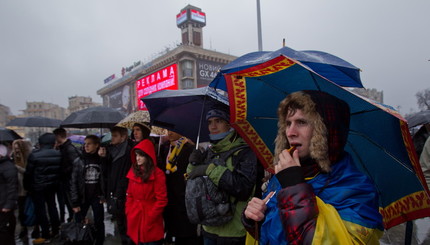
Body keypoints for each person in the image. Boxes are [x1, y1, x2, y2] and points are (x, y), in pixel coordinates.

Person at [242, 90, 384, 244]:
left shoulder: (358, 190)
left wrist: (293, 186)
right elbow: (273, 233)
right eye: (288, 123)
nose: (290, 132)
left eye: (302, 122)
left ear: (325, 130)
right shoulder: (281, 176)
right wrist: (253, 221)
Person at [186, 107, 258, 245]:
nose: (213, 126)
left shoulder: (245, 152)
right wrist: (193, 165)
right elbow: (193, 187)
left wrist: (210, 169)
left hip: (233, 232)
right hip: (209, 228)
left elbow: (242, 188)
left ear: (230, 124)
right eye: (210, 122)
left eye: (218, 121)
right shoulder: (210, 152)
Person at [158, 130, 201, 245]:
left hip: (184, 203)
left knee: (185, 237)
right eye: (167, 130)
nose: (169, 133)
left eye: (173, 130)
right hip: (169, 203)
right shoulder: (164, 148)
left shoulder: (189, 149)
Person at [125, 139, 168, 245]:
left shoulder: (158, 174)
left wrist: (151, 216)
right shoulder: (134, 171)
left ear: (148, 156)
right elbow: (129, 194)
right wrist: (129, 210)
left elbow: (162, 199)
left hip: (150, 220)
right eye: (136, 155)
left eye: (141, 155)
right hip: (135, 216)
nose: (137, 158)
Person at [24, 133, 62, 244]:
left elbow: (28, 173)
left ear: (40, 143)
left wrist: (27, 187)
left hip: (38, 187)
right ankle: (55, 230)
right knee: (52, 207)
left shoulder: (34, 155)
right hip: (53, 186)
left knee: (41, 210)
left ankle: (45, 233)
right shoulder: (58, 154)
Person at [99, 126, 133, 245]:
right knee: (119, 221)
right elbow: (106, 173)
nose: (112, 138)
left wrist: (120, 189)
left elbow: (128, 173)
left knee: (126, 221)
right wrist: (103, 158)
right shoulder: (109, 150)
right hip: (112, 190)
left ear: (123, 137)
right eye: (112, 135)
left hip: (124, 192)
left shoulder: (129, 151)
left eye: (115, 136)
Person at [70, 135, 105, 245]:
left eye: (89, 144)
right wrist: (75, 202)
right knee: (78, 221)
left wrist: (104, 195)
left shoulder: (101, 159)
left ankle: (99, 241)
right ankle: (81, 240)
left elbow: (106, 178)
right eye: (85, 144)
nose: (86, 146)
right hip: (82, 197)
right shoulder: (79, 160)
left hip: (97, 197)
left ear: (96, 145)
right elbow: (73, 182)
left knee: (99, 222)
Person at [53, 127, 81, 223]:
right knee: (68, 202)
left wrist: (63, 171)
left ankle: (74, 221)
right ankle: (72, 219)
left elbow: (74, 165)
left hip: (69, 180)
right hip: (66, 180)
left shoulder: (69, 149)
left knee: (72, 203)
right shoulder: (64, 148)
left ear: (59, 136)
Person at [11, 139, 32, 239]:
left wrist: (16, 167)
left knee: (28, 209)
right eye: (15, 149)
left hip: (26, 186)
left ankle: (31, 227)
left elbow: (28, 172)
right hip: (17, 188)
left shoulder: (29, 158)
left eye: (18, 148)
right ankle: (23, 228)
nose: (16, 150)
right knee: (20, 210)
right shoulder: (12, 157)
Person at [0, 143, 18, 245]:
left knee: (3, 228)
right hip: (2, 201)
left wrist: (8, 205)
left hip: (4, 203)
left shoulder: (7, 166)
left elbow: (12, 187)